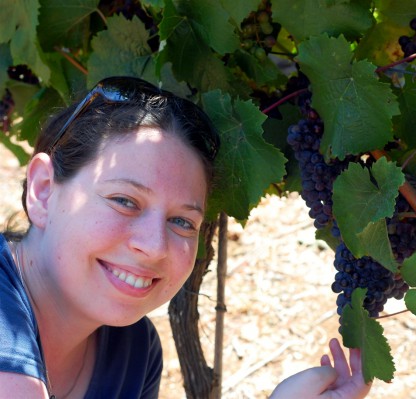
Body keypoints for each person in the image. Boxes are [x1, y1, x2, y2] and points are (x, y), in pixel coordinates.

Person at [0, 76, 371, 399]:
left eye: (181, 221)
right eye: (125, 201)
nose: (154, 246)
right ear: (43, 190)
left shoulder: (134, 353)